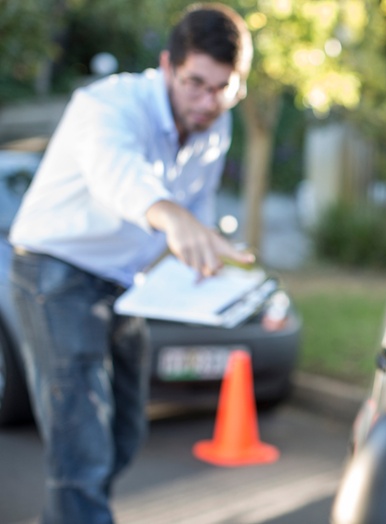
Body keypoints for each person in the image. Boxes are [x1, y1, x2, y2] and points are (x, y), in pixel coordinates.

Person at [8, 4, 254, 522]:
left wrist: (206, 259)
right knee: (83, 442)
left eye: (223, 88)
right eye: (196, 84)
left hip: (126, 281)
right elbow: (119, 177)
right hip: (56, 271)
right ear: (167, 65)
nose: (209, 102)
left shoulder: (217, 124)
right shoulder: (108, 104)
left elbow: (200, 208)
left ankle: (70, 509)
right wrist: (173, 218)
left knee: (124, 433)